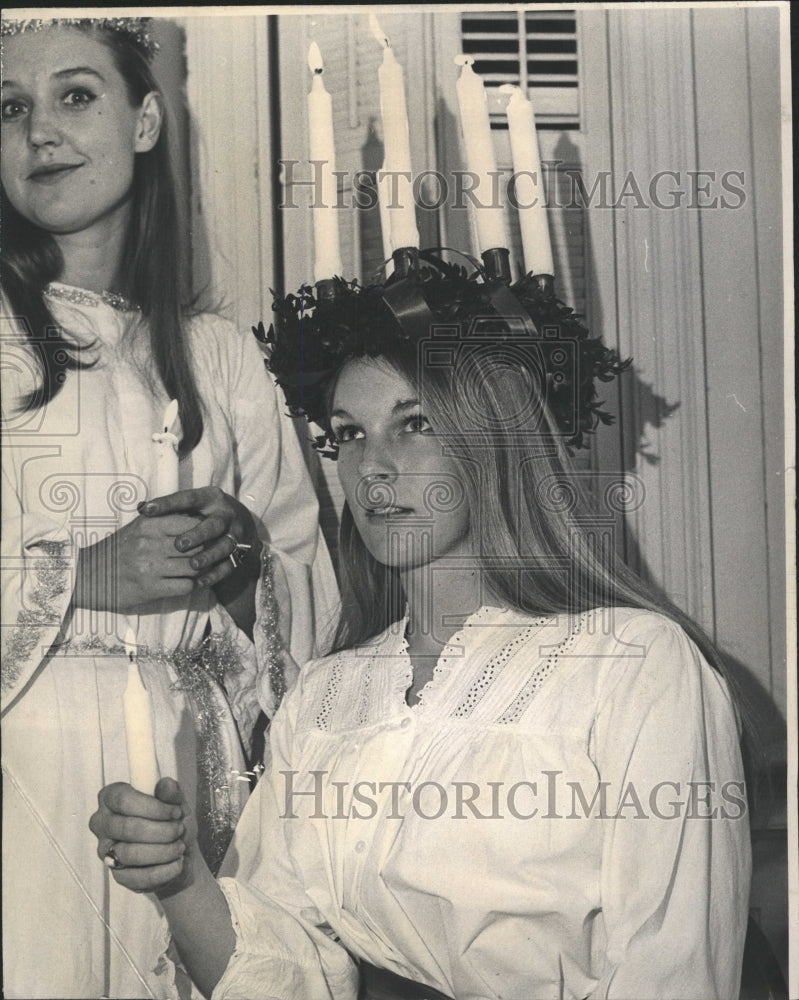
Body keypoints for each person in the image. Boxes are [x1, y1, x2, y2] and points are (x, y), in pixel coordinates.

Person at [90, 253, 751, 999]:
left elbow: (675, 971)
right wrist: (177, 878)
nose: (372, 467)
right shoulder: (325, 696)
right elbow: (282, 974)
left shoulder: (633, 664)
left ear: (496, 440)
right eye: (350, 434)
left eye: (415, 424)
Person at [1, 16, 338, 1000]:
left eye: (75, 96)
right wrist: (77, 579)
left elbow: (309, 597)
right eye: (10, 109)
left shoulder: (222, 360)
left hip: (182, 781)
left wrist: (241, 576)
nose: (40, 133)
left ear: (146, 121)